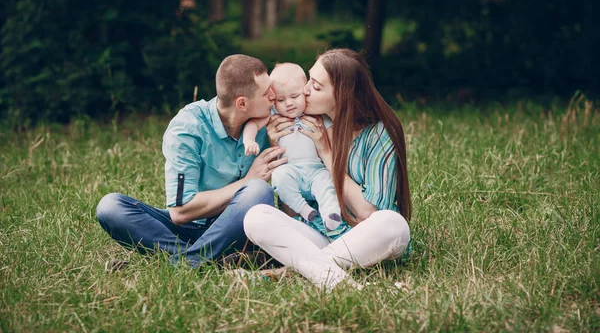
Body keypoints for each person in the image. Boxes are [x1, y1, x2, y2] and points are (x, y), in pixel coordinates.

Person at [96, 54, 288, 268]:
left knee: (259, 192)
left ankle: (184, 262)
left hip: (236, 226)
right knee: (110, 207)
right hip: (188, 227)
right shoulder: (188, 128)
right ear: (242, 103)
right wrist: (247, 181)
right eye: (266, 93)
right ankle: (206, 259)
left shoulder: (269, 120)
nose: (274, 96)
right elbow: (180, 212)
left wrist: (274, 142)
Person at [244, 49, 412, 291]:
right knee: (256, 217)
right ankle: (336, 280)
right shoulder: (304, 126)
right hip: (322, 233)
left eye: (316, 86)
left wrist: (327, 154)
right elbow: (293, 213)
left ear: (341, 96)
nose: (305, 90)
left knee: (393, 224)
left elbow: (368, 212)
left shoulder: (379, 133)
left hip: (369, 237)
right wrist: (280, 148)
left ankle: (297, 270)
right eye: (309, 80)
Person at [242, 63, 342, 232]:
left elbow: (333, 139)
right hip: (290, 169)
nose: (288, 103)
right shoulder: (274, 115)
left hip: (316, 169)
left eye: (295, 96)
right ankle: (304, 209)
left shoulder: (317, 115)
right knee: (279, 178)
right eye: (281, 99)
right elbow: (253, 123)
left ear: (306, 91)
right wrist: (249, 140)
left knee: (325, 183)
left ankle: (330, 215)